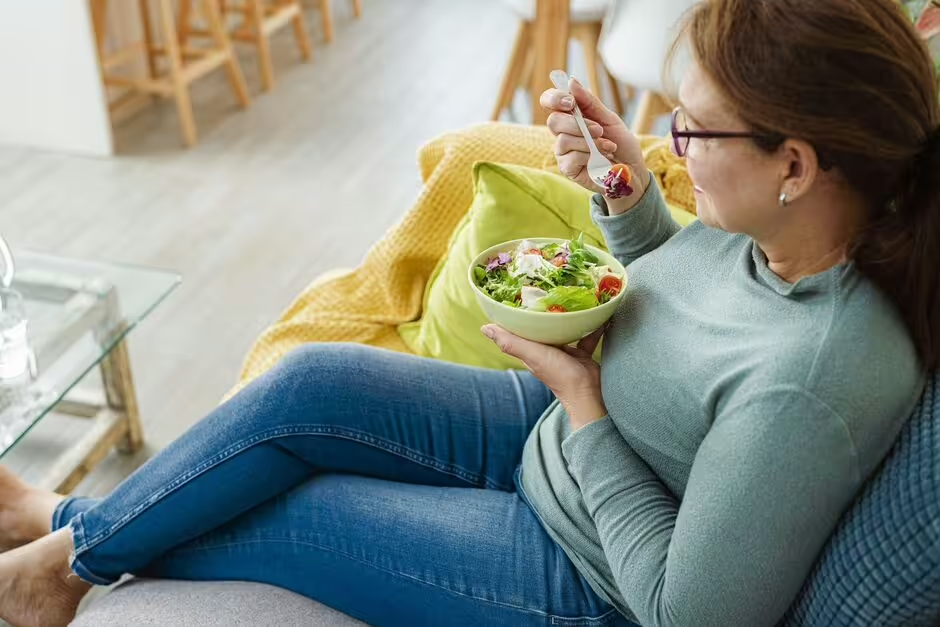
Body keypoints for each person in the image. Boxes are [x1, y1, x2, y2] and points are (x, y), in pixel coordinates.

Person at [0, 0, 937, 625]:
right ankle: (72, 529)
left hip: (583, 570)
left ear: (797, 165)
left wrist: (583, 404)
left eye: (695, 128)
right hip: (570, 438)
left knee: (298, 506)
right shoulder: (799, 232)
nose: (673, 143)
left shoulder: (812, 384)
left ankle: (58, 560)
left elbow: (683, 610)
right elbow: (702, 297)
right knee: (312, 380)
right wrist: (626, 199)